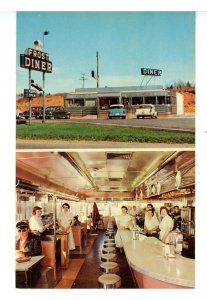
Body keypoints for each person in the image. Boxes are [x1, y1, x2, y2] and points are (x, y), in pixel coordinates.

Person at [16, 221, 42, 288]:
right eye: (19, 230)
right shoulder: (15, 239)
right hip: (18, 263)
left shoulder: (35, 238)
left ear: (28, 229)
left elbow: (38, 251)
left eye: (23, 230)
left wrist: (25, 254)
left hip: (32, 264)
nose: (21, 232)